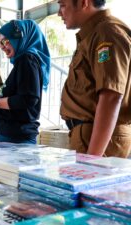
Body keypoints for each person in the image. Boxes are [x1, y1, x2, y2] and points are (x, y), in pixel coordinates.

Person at [58, 0, 131, 158]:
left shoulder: (107, 32)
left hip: (97, 140)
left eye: (63, 5)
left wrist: (93, 160)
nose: (59, 13)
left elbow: (111, 95)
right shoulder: (95, 34)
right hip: (89, 136)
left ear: (84, 2)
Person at [0, 20, 51, 144]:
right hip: (13, 136)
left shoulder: (27, 60)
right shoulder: (22, 62)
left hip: (17, 138)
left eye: (5, 42)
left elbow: (28, 98)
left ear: (19, 38)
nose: (2, 47)